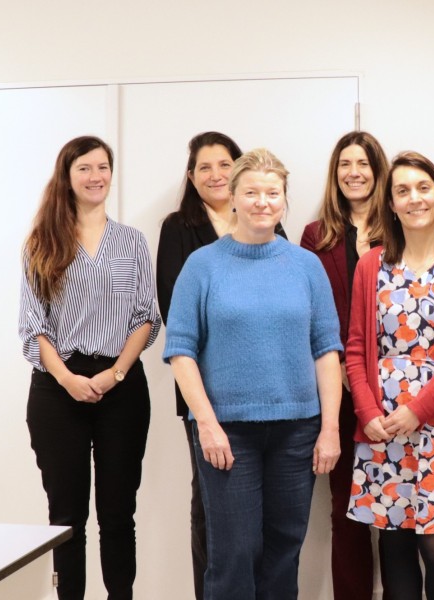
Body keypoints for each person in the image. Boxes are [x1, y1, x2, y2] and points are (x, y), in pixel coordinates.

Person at [163, 148, 342, 599]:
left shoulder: (306, 266)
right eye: (252, 193)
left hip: (297, 430)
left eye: (273, 193)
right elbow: (180, 352)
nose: (263, 202)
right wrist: (206, 424)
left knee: (285, 547)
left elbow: (326, 351)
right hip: (227, 432)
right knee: (233, 552)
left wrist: (330, 429)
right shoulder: (202, 266)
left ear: (284, 200)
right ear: (235, 197)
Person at [19, 135, 161, 600]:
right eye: (84, 168)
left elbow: (146, 316)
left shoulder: (131, 241)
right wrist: (67, 379)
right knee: (66, 516)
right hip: (58, 388)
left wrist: (115, 373)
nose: (96, 176)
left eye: (103, 167)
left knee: (119, 512)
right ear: (67, 175)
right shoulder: (42, 241)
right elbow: (32, 326)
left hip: (120, 383)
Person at [346, 151, 434, 600]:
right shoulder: (370, 265)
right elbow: (355, 347)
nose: (414, 199)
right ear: (390, 203)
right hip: (383, 428)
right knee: (394, 547)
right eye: (402, 190)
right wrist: (368, 412)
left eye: (424, 188)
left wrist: (417, 410)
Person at [156, 131, 286, 600]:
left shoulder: (266, 220)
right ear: (192, 177)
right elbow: (178, 313)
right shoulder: (180, 229)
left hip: (269, 394)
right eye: (204, 166)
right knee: (211, 506)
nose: (215, 173)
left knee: (261, 520)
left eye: (223, 164)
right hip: (205, 392)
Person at [299, 131, 389, 600]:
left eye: (363, 163)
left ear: (378, 170)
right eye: (344, 165)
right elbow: (313, 317)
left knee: (397, 511)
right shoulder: (316, 236)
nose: (354, 172)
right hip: (340, 391)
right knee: (346, 510)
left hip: (396, 395)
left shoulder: (400, 226)